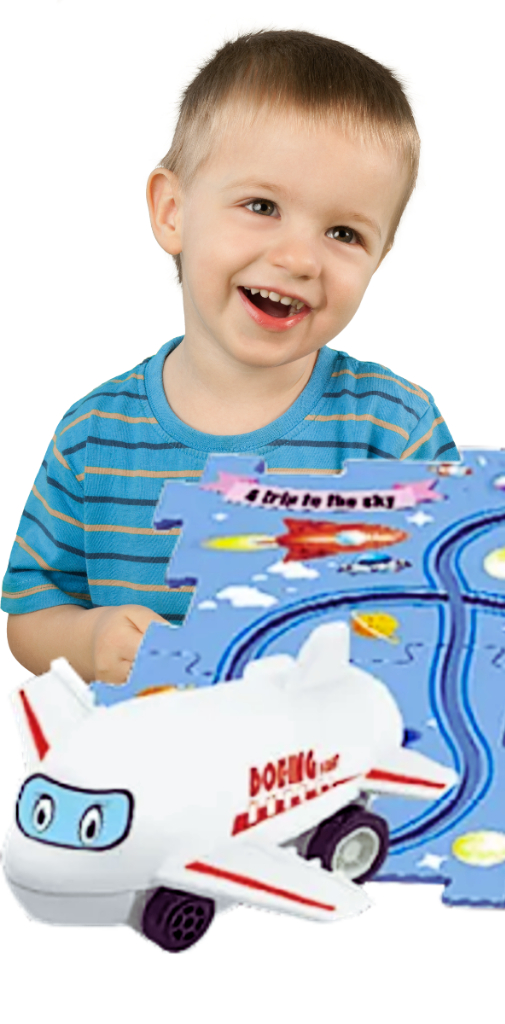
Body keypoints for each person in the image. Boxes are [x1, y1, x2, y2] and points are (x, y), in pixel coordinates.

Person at [3, 30, 456, 685]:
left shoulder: (394, 428)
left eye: (344, 233)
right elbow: (30, 612)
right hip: (146, 746)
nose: (299, 259)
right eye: (261, 206)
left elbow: (453, 606)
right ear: (172, 211)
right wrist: (90, 640)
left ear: (379, 258)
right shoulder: (93, 433)